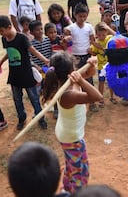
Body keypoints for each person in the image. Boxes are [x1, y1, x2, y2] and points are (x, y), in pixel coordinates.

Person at [42, 53, 103, 193]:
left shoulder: (66, 82)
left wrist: (92, 64)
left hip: (69, 133)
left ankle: (66, 189)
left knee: (74, 166)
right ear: (71, 70)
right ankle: (76, 192)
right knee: (79, 174)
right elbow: (97, 97)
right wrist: (81, 81)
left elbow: (89, 72)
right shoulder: (67, 94)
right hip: (71, 138)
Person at [0, 15, 49, 130]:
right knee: (17, 99)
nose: (0, 33)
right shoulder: (4, 39)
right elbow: (9, 53)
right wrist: (0, 62)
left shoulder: (22, 38)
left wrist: (44, 60)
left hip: (26, 74)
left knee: (34, 98)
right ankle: (21, 118)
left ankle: (40, 118)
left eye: (1, 31)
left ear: (9, 27)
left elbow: (32, 51)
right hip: (14, 75)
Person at [64, 4, 99, 112]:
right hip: (75, 58)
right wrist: (66, 38)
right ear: (75, 15)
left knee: (88, 79)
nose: (82, 18)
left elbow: (93, 41)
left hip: (87, 57)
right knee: (75, 79)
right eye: (80, 16)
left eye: (84, 16)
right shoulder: (70, 28)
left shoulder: (89, 27)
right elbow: (65, 40)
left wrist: (97, 49)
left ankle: (92, 102)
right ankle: (77, 101)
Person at [90, 22, 116, 107]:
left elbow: (117, 36)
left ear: (107, 33)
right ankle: (100, 99)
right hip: (101, 67)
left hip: (111, 65)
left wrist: (108, 28)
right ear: (96, 34)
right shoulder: (96, 43)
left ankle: (112, 97)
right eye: (99, 35)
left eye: (103, 34)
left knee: (111, 81)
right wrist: (91, 51)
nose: (101, 37)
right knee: (101, 82)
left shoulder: (110, 38)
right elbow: (94, 53)